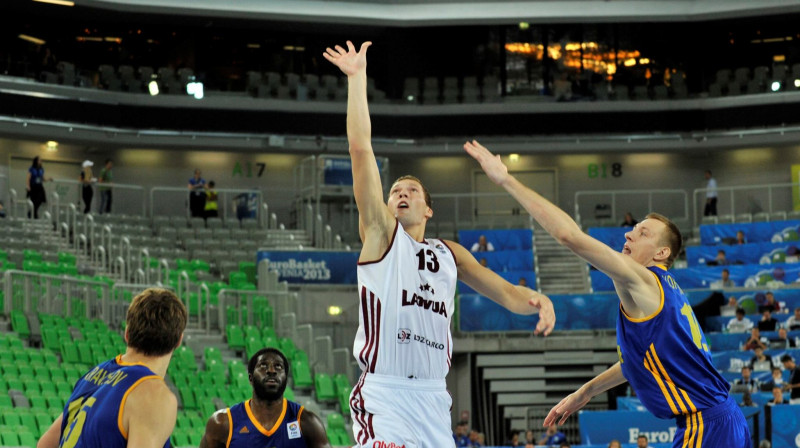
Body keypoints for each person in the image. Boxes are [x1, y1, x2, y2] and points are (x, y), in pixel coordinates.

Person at [324, 40, 555, 448]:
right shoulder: (381, 234)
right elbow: (360, 150)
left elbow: (505, 293)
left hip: (433, 397)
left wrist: (538, 300)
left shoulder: (449, 253)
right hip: (386, 392)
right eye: (395, 191)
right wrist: (357, 79)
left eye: (411, 190)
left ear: (428, 209)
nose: (401, 194)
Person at [463, 141, 750, 446]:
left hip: (707, 425)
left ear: (661, 253)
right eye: (633, 228)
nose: (629, 233)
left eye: (643, 233)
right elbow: (635, 362)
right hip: (721, 419)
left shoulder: (646, 280)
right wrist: (585, 392)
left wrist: (506, 180)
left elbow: (568, 236)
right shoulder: (661, 293)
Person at [37, 288, 188, 448]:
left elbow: (45, 445)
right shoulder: (153, 394)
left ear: (127, 333)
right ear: (179, 340)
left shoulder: (93, 375)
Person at [199, 348, 330, 448]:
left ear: (286, 379)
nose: (271, 370)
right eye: (263, 366)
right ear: (250, 378)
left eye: (278, 366)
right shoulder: (222, 423)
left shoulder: (307, 423)